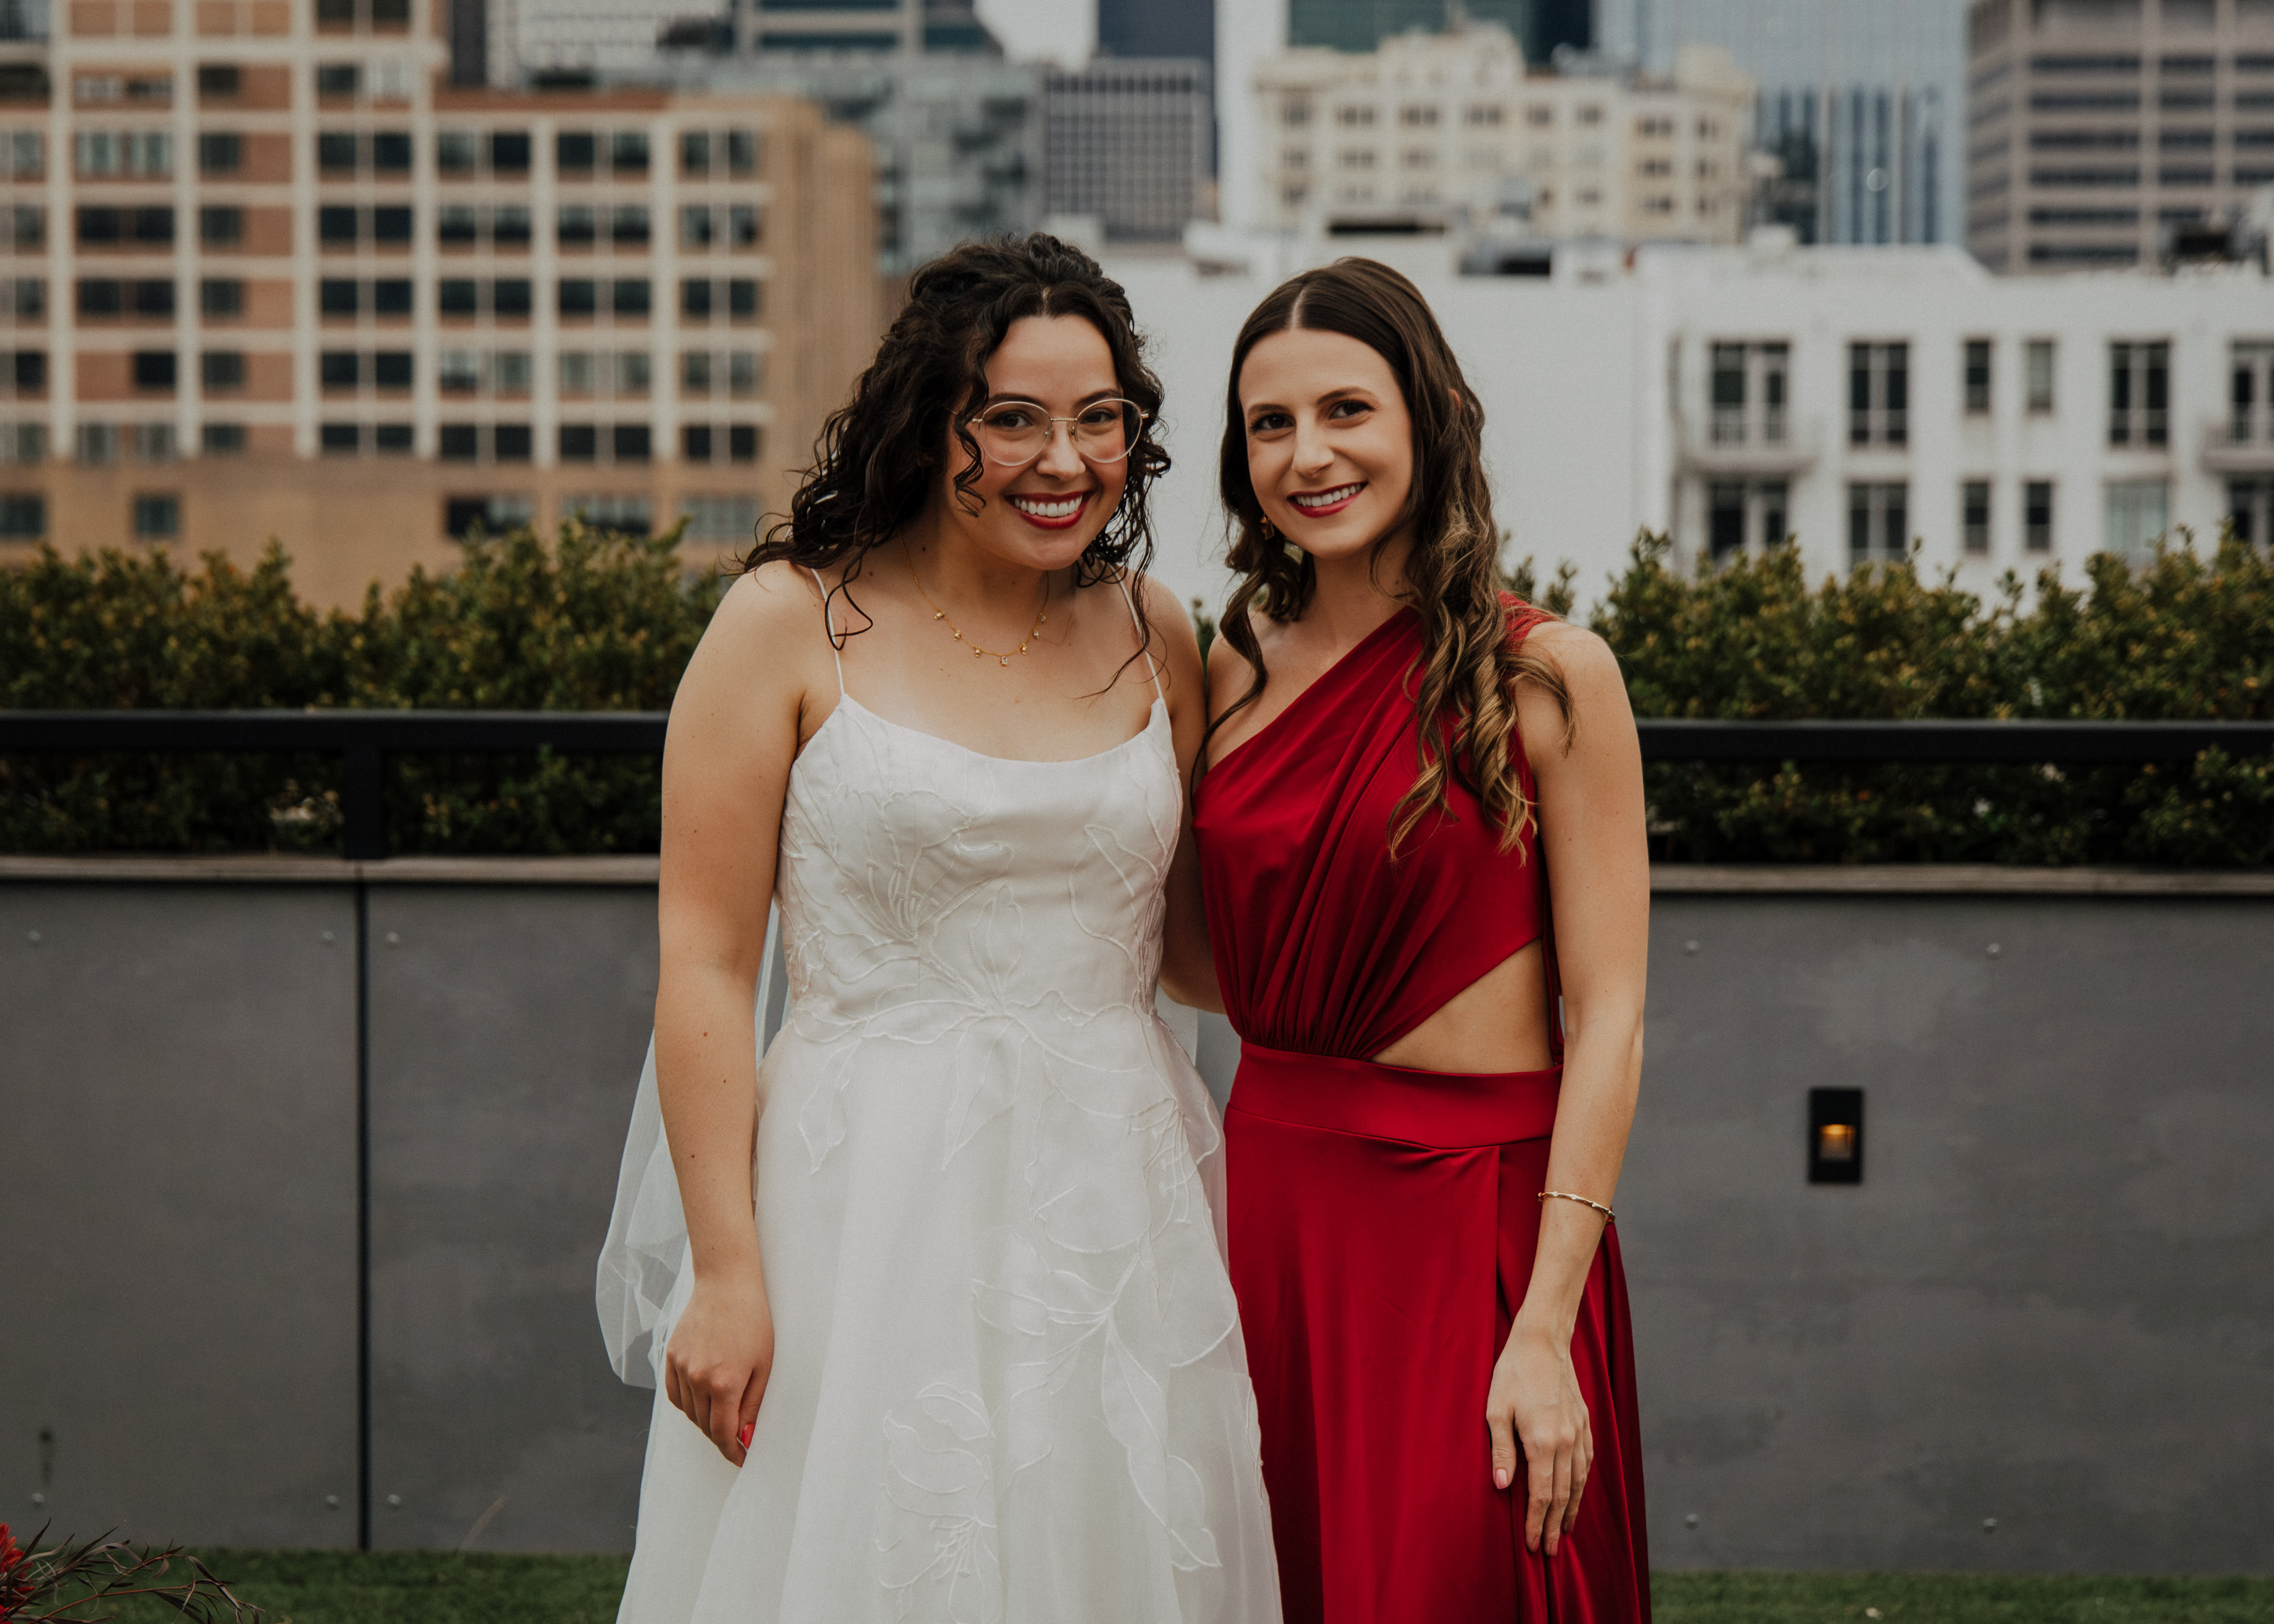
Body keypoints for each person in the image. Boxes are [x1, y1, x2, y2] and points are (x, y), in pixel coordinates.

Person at [597, 234, 1280, 1624]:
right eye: (1013, 419)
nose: (1063, 459)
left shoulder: (1157, 631)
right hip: (859, 1206)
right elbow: (709, 967)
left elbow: (1200, 955)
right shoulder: (785, 624)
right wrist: (727, 1271)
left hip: (1116, 1201)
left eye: (1099, 419)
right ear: (932, 422)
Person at [1184, 258, 1652, 1623]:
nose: (1308, 454)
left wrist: (1549, 1326)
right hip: (1269, 1215)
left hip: (1480, 1232)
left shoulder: (1552, 672)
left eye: (1347, 410)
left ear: (1430, 417)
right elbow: (1194, 954)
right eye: (1271, 424)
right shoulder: (1230, 665)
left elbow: (1611, 1015)